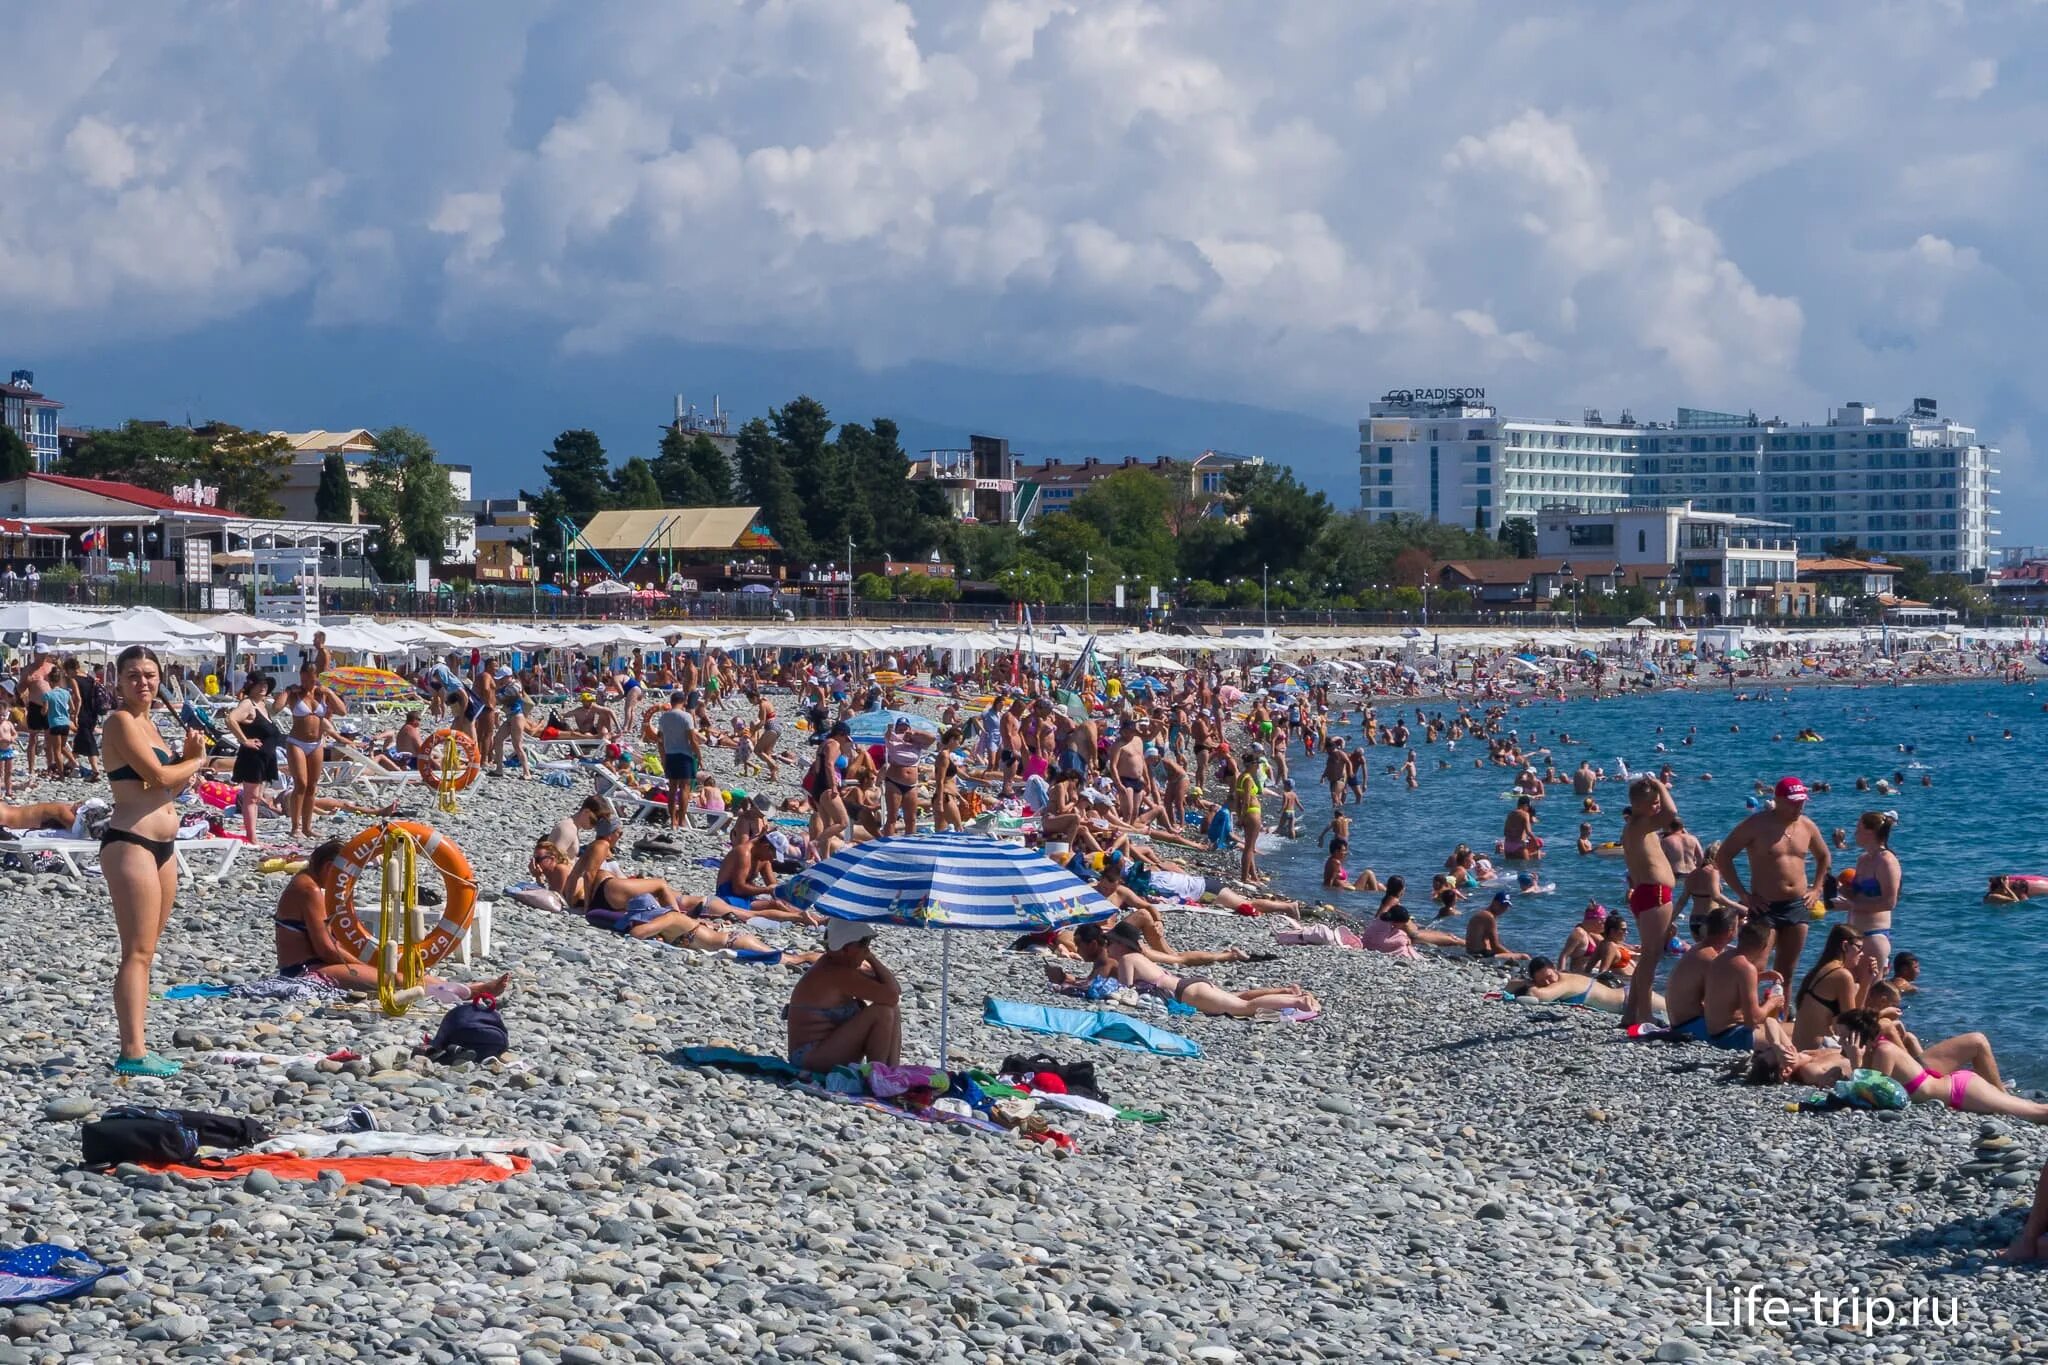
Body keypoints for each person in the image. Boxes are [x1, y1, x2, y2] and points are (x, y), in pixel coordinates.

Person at [100, 645, 209, 1078]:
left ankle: (140, 1045)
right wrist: (194, 761)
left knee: (149, 952)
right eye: (133, 675)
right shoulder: (120, 721)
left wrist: (185, 757)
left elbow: (168, 791)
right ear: (119, 680)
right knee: (137, 951)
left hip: (162, 845)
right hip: (131, 841)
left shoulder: (151, 725)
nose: (143, 682)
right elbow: (159, 778)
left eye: (149, 675)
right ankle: (132, 1050)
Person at [275, 839, 510, 998]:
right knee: (391, 978)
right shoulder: (309, 890)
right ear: (329, 868)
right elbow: (325, 949)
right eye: (344, 874)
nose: (347, 881)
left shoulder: (311, 885)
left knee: (397, 971)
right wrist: (365, 962)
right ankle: (466, 993)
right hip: (306, 971)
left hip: (323, 964)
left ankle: (467, 988)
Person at [1715, 776, 1830, 991]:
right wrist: (1744, 895)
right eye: (1793, 802)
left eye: (1802, 802)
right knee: (1756, 966)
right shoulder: (1756, 825)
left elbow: (1824, 856)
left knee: (1787, 969)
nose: (1798, 807)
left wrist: (1817, 888)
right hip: (1765, 906)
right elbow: (1724, 856)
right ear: (1777, 799)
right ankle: (1747, 1013)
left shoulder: (1807, 826)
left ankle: (1782, 1017)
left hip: (1798, 905)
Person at [1835, 1010, 2048, 1122]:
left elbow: (1877, 1098)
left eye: (1844, 1036)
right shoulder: (1874, 1052)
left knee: (2036, 1113)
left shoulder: (1884, 1051)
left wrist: (1855, 1062)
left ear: (1858, 1037)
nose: (1840, 1041)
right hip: (1956, 1090)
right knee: (2033, 1112)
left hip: (1962, 1091)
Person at [1096, 922, 1318, 1016]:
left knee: (1244, 1007)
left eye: (1111, 943)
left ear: (1122, 945)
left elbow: (1125, 992)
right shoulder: (1138, 956)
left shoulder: (1127, 959)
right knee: (1236, 997)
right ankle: (1287, 993)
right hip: (1190, 985)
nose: (1108, 947)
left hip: (1187, 993)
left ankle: (1299, 1002)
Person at [784, 920, 901, 1071]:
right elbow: (891, 995)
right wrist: (872, 959)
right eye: (864, 944)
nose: (867, 950)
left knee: (892, 1009)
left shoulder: (840, 966)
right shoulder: (834, 973)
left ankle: (890, 1072)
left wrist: (870, 958)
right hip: (809, 1057)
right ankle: (878, 1075)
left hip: (825, 1051)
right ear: (845, 948)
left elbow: (894, 991)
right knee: (882, 1012)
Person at [1618, 775, 1678, 1028]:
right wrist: (1662, 785)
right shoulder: (1642, 823)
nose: (1657, 805)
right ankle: (1644, 1015)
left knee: (1646, 957)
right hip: (1655, 893)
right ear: (1639, 805)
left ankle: (1631, 1014)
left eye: (1657, 801)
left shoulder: (1634, 825)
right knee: (1651, 956)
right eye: (1653, 802)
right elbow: (1672, 813)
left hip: (1646, 892)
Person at [1690, 919, 1785, 1049]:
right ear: (1764, 946)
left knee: (1786, 1032)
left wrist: (1760, 977)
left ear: (1740, 938)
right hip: (1732, 1037)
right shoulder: (1746, 968)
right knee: (1796, 1032)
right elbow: (1753, 1019)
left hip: (1714, 1032)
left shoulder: (1723, 958)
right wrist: (1773, 1002)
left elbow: (1730, 986)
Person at [283, 669, 348, 840]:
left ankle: (307, 827)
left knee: (312, 786)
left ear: (316, 678)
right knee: (301, 783)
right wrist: (288, 691)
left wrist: (329, 692)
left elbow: (342, 711)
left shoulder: (322, 694)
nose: (307, 683)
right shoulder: (295, 693)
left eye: (311, 679)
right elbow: (275, 708)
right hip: (297, 741)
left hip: (316, 743)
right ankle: (295, 826)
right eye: (304, 679)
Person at [1789, 925, 1877, 1049]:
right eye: (1859, 948)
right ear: (1845, 946)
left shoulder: (1820, 969)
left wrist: (1866, 980)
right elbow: (1853, 1025)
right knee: (1884, 1033)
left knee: (1856, 988)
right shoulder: (1842, 975)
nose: (1862, 954)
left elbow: (1851, 1016)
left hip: (1801, 1046)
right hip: (1817, 1050)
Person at [221, 674, 282, 843]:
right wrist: (244, 740)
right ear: (251, 686)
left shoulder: (262, 704)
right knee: (251, 798)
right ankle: (252, 836)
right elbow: (230, 719)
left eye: (265, 684)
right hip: (252, 758)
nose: (263, 687)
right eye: (259, 684)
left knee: (255, 798)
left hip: (264, 758)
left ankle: (252, 834)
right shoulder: (248, 704)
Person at [1840, 811, 1901, 970]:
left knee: (1870, 991)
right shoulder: (1863, 859)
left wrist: (1853, 905)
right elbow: (1856, 896)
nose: (1855, 833)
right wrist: (1839, 889)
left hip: (1874, 934)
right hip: (1853, 934)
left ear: (1870, 832)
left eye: (1858, 828)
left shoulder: (1887, 861)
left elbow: (1889, 902)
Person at [1663, 907, 1734, 1034]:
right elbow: (1723, 1002)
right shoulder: (1711, 958)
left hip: (1680, 1021)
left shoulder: (1698, 949)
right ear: (1730, 931)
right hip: (1690, 1026)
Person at [1503, 958, 1652, 1014]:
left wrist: (1533, 985)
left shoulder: (1565, 982)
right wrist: (1530, 982)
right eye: (1542, 981)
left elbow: (1538, 996)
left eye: (1549, 977)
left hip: (1628, 999)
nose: (1549, 983)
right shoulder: (1556, 981)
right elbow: (1508, 986)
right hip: (1627, 1000)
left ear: (1555, 968)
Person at [644, 691, 700, 832]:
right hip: (684, 755)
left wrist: (663, 757)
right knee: (685, 788)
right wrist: (699, 755)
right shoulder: (686, 716)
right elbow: (692, 739)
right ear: (684, 701)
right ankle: (681, 821)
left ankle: (673, 821)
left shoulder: (664, 717)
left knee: (673, 788)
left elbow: (660, 740)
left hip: (670, 755)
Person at [880, 717, 933, 836]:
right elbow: (887, 735)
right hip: (894, 782)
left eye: (906, 728)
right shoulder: (893, 740)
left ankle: (910, 845)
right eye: (900, 729)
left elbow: (932, 738)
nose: (903, 731)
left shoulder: (918, 743)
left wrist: (914, 733)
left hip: (911, 784)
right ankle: (888, 845)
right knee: (892, 817)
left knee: (911, 818)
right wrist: (891, 729)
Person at [1464, 892, 1527, 961]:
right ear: (1494, 902)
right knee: (1524, 956)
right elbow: (1495, 946)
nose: (1503, 908)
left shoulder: (1484, 914)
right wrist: (1512, 956)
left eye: (1506, 906)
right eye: (1502, 905)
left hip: (1472, 953)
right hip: (1479, 955)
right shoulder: (1489, 917)